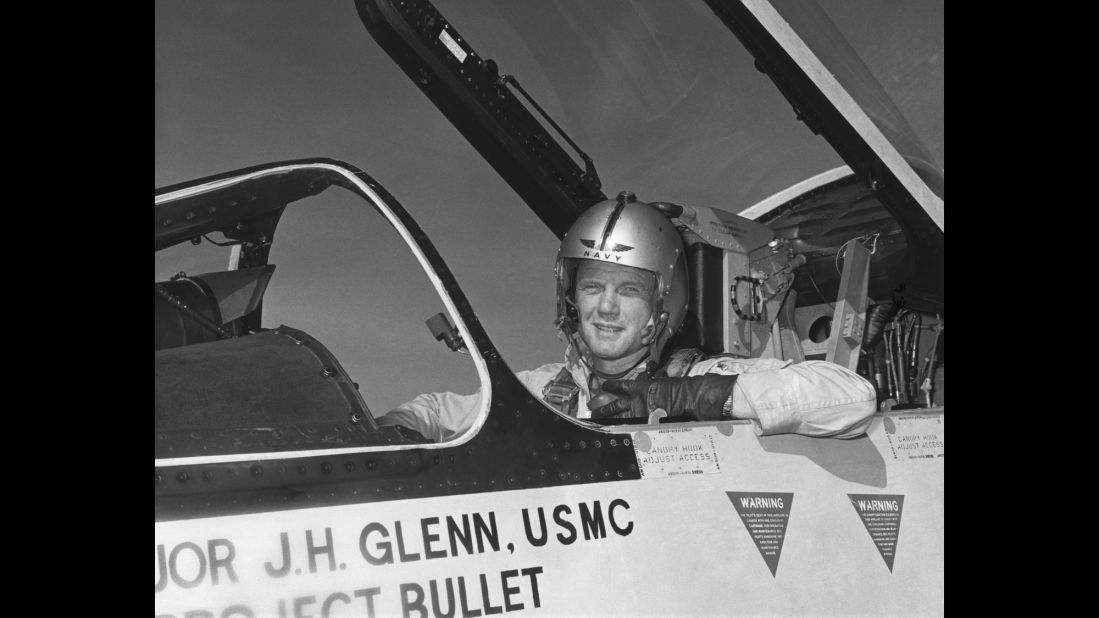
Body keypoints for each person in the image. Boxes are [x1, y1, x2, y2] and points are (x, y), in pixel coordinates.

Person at [377, 192, 877, 443]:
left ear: (662, 305)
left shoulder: (702, 376)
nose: (607, 307)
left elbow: (850, 397)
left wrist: (678, 397)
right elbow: (435, 412)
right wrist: (392, 430)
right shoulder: (552, 391)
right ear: (571, 297)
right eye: (592, 286)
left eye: (630, 290)